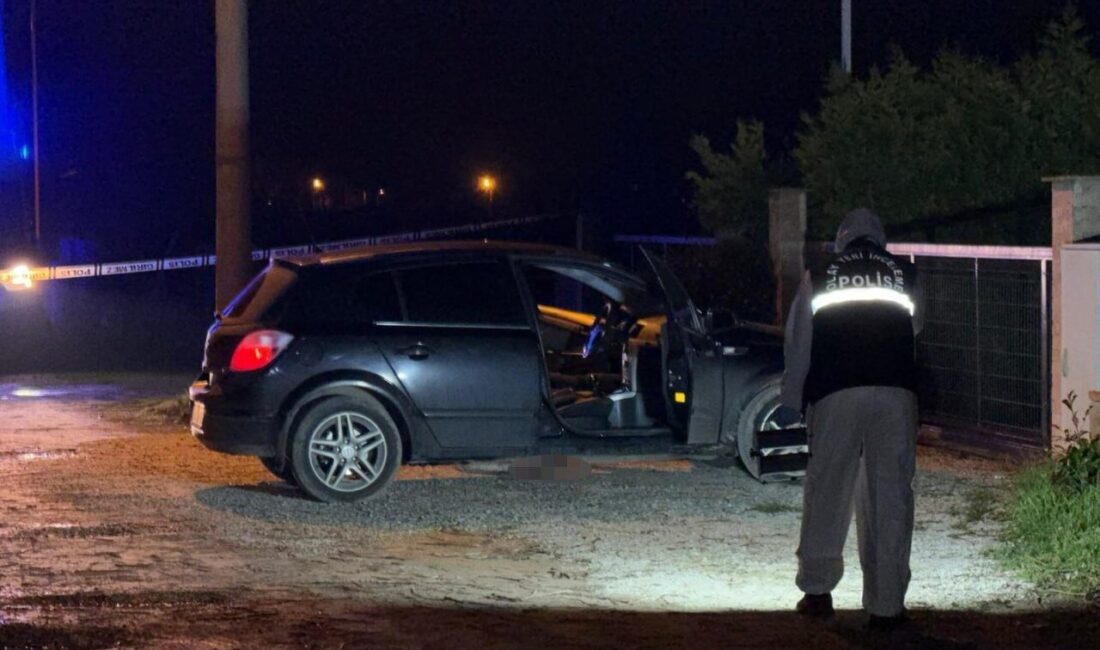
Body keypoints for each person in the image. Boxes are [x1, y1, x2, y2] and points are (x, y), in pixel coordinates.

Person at [780, 208, 923, 629]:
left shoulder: (821, 274)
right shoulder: (905, 273)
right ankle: (886, 606)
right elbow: (914, 329)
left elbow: (799, 339)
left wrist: (793, 396)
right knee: (890, 494)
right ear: (880, 240)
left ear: (842, 240)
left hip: (836, 391)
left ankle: (818, 592)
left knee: (829, 487)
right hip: (895, 392)